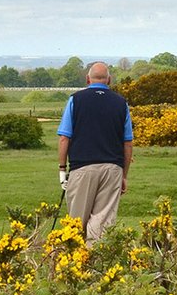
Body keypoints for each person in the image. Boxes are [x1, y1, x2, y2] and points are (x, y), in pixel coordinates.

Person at [57, 61, 133, 246]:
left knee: (76, 223)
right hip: (112, 169)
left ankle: (75, 267)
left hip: (82, 168)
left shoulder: (76, 99)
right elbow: (128, 143)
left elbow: (64, 138)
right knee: (102, 224)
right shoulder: (121, 103)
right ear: (109, 80)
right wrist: (124, 175)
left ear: (87, 79)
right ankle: (96, 267)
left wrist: (62, 169)